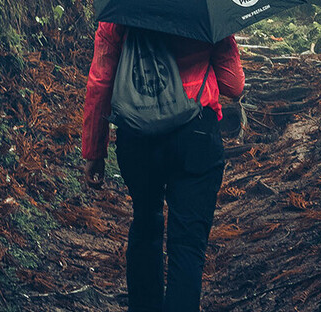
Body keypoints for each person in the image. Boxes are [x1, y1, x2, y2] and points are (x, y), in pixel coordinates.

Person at [81, 21, 245, 312]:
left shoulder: (120, 10)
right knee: (188, 244)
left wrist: (95, 149)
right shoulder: (207, 10)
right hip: (195, 137)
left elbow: (101, 80)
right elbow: (234, 86)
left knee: (145, 222)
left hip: (138, 137)